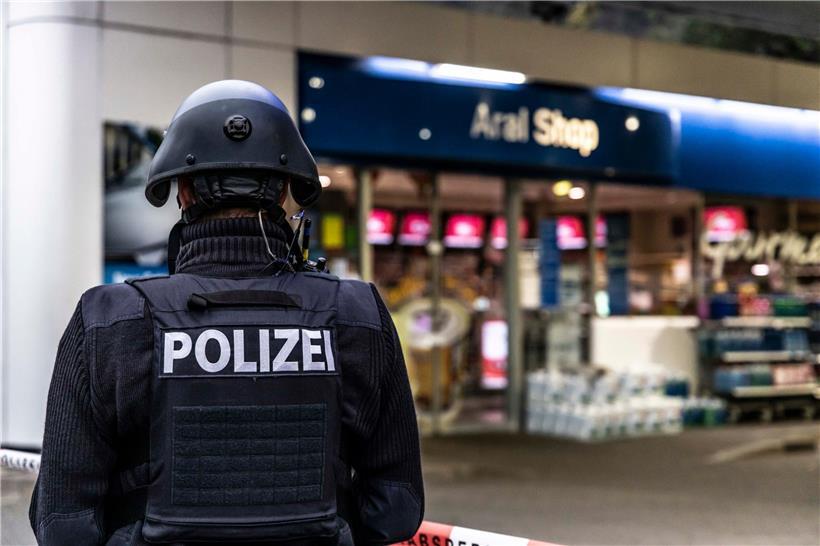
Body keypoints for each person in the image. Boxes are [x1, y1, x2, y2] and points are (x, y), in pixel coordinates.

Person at [29, 80, 424, 546]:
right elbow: (397, 508)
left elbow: (63, 524)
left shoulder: (109, 320)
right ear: (284, 194)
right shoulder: (359, 315)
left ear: (184, 193)